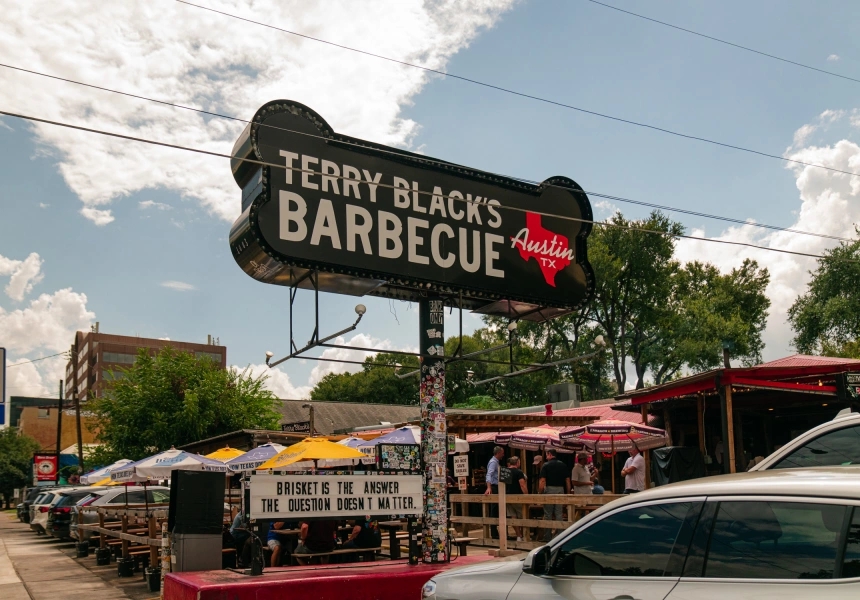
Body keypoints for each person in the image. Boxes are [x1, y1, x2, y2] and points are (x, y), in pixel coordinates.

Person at [538, 448, 570, 541]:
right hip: (560, 489)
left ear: (550, 455)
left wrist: (540, 493)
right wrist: (567, 492)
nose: (546, 456)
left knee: (548, 514)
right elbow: (567, 480)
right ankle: (560, 536)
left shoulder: (546, 465)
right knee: (559, 513)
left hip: (550, 489)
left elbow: (542, 480)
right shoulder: (563, 465)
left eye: (547, 455)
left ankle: (547, 537)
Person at [505, 456, 528, 542]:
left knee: (513, 517)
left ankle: (519, 536)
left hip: (507, 496)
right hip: (518, 497)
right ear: (517, 462)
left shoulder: (505, 472)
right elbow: (522, 485)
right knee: (522, 516)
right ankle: (524, 535)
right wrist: (527, 496)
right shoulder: (519, 472)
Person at [485, 446, 504, 539]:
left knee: (496, 509)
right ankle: (494, 533)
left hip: (497, 486)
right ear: (498, 453)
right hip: (494, 487)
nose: (503, 455)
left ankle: (495, 532)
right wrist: (489, 487)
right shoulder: (493, 462)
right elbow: (489, 474)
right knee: (494, 509)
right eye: (502, 453)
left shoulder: (496, 462)